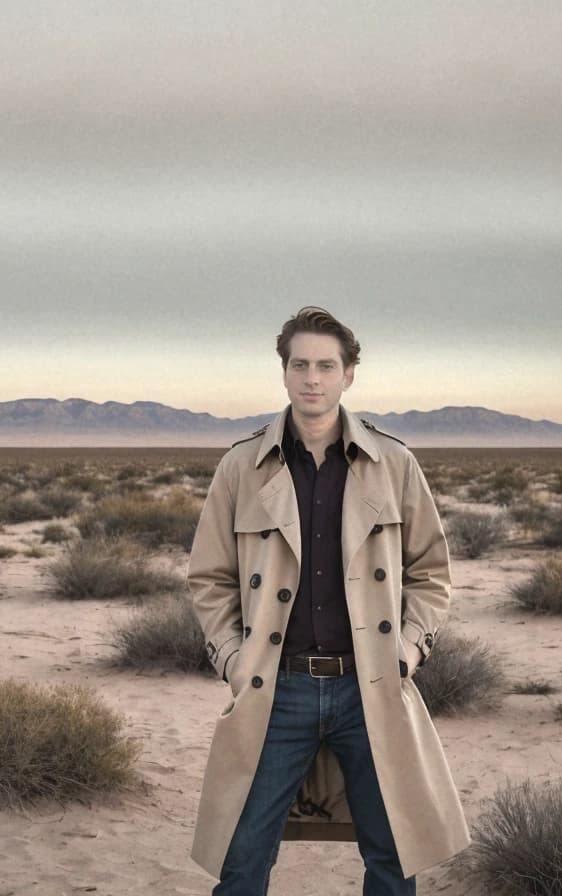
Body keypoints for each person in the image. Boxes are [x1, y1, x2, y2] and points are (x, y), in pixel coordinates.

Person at [187, 307, 469, 895]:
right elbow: (209, 576)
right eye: (300, 365)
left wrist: (408, 653)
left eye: (326, 365)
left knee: (394, 857)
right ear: (284, 373)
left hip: (369, 687)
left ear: (348, 375)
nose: (312, 378)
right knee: (242, 858)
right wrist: (233, 660)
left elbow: (431, 573)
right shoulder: (242, 465)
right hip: (275, 687)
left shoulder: (393, 463)